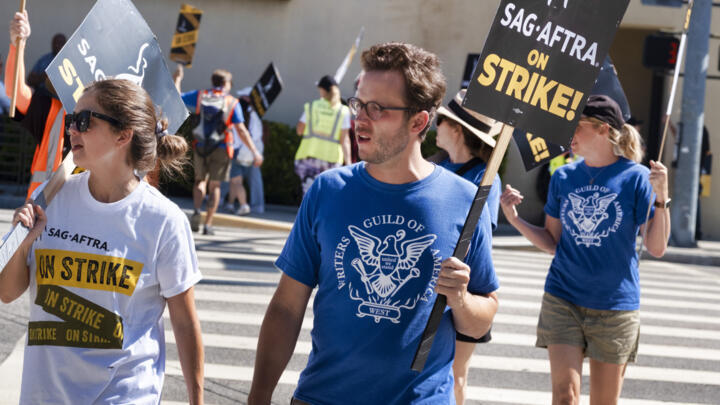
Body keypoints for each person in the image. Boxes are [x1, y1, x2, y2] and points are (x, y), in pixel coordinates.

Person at [248, 42, 499, 405]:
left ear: (419, 122)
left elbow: (481, 322)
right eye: (358, 103)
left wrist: (460, 299)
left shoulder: (466, 200)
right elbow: (286, 308)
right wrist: (259, 396)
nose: (360, 118)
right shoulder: (327, 190)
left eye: (377, 108)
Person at [0, 79, 204, 404]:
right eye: (71, 120)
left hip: (122, 394)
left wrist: (197, 400)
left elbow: (184, 321)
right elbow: (7, 293)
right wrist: (23, 242)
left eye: (84, 121)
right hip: (44, 395)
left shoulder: (163, 220)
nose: (72, 130)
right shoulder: (51, 199)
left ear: (123, 135)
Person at [500, 95, 670, 405]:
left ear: (603, 129)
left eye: (576, 127)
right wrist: (515, 220)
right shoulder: (563, 175)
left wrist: (661, 198)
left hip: (614, 306)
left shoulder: (636, 178)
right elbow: (552, 242)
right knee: (565, 398)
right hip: (563, 298)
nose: (569, 136)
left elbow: (657, 247)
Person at [433, 88, 502, 405]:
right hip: (432, 285)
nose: (436, 124)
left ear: (457, 129)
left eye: (442, 120)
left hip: (466, 288)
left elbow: (479, 240)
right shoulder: (438, 166)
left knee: (455, 378)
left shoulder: (486, 176)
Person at [174, 65, 262, 235]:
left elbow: (177, 97)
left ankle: (197, 211)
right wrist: (254, 151)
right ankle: (208, 225)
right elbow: (242, 131)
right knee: (215, 186)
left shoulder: (200, 96)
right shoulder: (232, 102)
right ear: (227, 83)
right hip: (222, 147)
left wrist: (178, 79)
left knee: (200, 181)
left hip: (200, 145)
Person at [5, 11, 69, 199]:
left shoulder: (103, 121)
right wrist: (18, 44)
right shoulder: (53, 109)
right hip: (39, 212)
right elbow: (15, 91)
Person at [294, 74, 352, 195]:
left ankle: (310, 214)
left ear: (322, 90)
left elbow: (299, 130)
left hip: (308, 158)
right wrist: (349, 164)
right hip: (332, 161)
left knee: (309, 195)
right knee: (327, 195)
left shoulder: (312, 106)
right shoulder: (343, 111)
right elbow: (344, 139)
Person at [224, 88, 266, 215]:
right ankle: (231, 204)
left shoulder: (237, 113)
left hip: (236, 151)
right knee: (236, 180)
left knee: (235, 180)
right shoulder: (255, 117)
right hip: (249, 153)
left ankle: (243, 204)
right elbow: (257, 136)